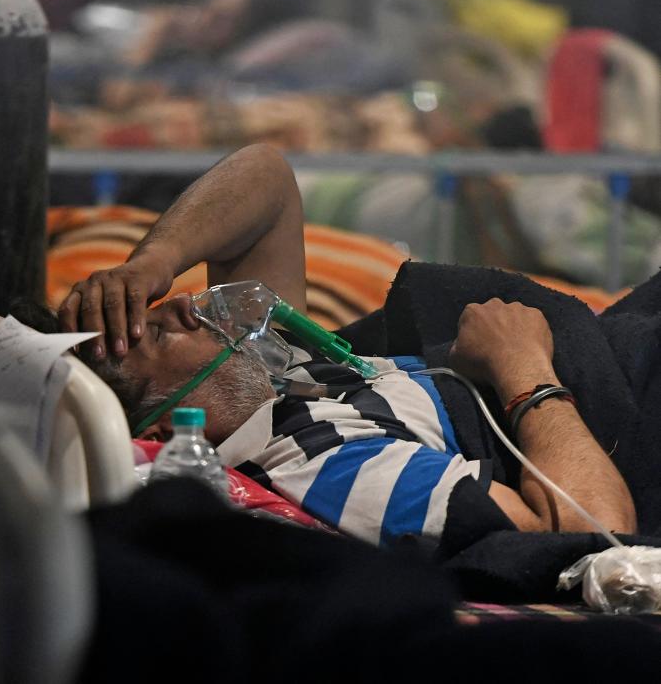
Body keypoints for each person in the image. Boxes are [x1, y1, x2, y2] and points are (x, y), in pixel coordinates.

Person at [56, 143, 638, 550]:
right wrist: (522, 367)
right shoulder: (328, 465)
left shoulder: (279, 373)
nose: (183, 305)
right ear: (163, 433)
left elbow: (267, 176)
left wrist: (152, 263)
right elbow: (595, 529)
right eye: (159, 333)